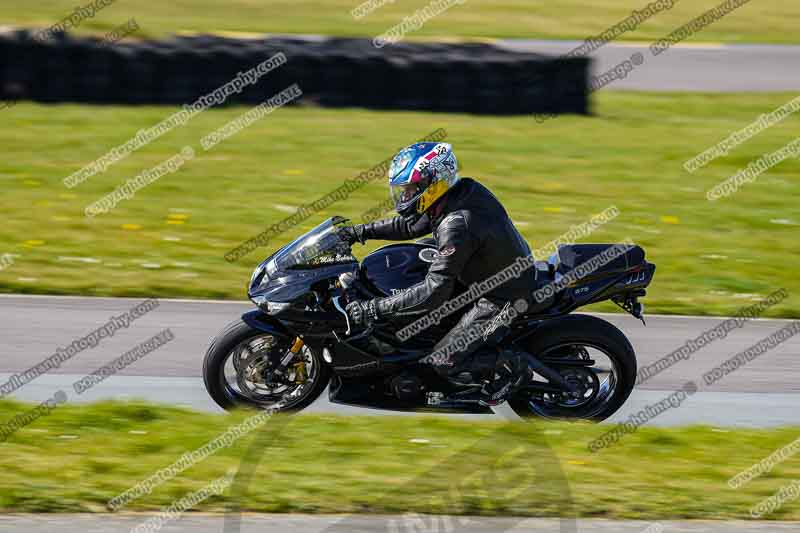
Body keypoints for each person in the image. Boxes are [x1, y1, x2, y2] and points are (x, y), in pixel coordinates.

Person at [338, 142, 536, 403]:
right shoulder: (454, 195)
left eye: (411, 188)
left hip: (503, 295)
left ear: (434, 183)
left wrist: (374, 308)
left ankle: (515, 366)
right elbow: (410, 226)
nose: (405, 195)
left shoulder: (457, 225)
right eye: (404, 189)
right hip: (479, 274)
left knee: (442, 360)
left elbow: (434, 292)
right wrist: (360, 232)